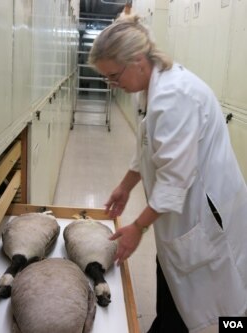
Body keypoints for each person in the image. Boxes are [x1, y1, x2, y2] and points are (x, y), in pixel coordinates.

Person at [88, 15, 247, 333]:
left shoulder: (176, 97)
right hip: (179, 218)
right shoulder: (146, 89)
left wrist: (137, 227)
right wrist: (125, 186)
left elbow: (174, 182)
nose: (112, 84)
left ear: (137, 61)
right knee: (175, 280)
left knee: (226, 308)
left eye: (114, 76)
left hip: (207, 218)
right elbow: (147, 149)